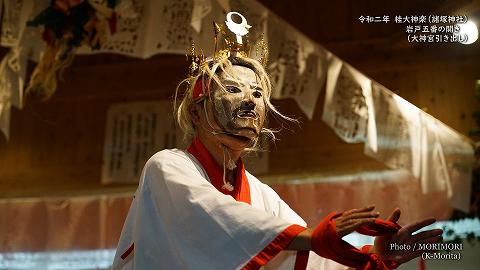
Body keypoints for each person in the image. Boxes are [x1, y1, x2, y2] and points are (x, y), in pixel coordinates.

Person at [111, 13, 443, 270]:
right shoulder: (167, 167)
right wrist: (313, 237)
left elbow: (311, 259)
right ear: (197, 113)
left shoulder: (261, 196)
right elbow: (216, 216)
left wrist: (375, 257)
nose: (250, 101)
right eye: (233, 90)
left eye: (257, 93)